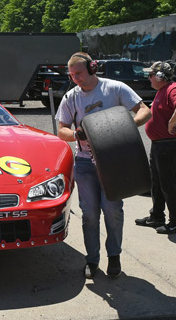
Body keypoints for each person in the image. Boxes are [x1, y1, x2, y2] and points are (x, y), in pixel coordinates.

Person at [56, 52, 151, 280]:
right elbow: (61, 131)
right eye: (72, 75)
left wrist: (125, 126)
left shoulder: (115, 88)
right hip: (84, 162)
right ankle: (92, 259)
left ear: (92, 68)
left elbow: (145, 111)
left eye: (79, 73)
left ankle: (114, 256)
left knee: (112, 210)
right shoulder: (70, 98)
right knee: (89, 213)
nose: (76, 78)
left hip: (113, 162)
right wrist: (76, 134)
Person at [135, 61, 176, 234]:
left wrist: (171, 123)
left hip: (168, 144)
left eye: (151, 75)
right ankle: (157, 216)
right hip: (159, 144)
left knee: (168, 183)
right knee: (157, 182)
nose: (149, 78)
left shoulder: (173, 89)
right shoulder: (162, 90)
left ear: (160, 76)